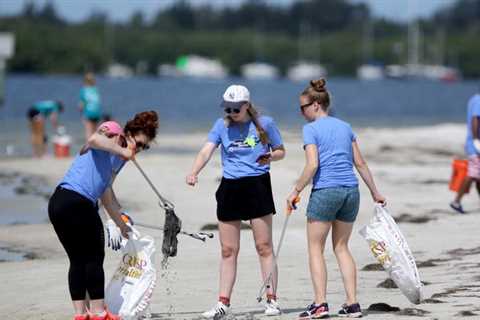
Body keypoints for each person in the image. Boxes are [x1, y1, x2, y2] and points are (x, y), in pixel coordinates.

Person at [286, 79, 385, 319]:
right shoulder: (345, 126)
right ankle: (352, 304)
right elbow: (359, 163)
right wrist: (375, 192)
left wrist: (295, 191)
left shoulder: (310, 130)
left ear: (317, 104)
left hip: (326, 192)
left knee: (315, 249)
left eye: (303, 107)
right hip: (351, 191)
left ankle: (320, 303)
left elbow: (312, 165)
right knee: (341, 247)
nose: (301, 112)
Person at [186, 85, 286, 318]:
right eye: (227, 108)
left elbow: (281, 150)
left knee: (264, 246)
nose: (231, 112)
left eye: (236, 109)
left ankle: (272, 300)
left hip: (257, 185)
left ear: (247, 105)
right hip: (230, 187)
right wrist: (194, 171)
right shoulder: (221, 125)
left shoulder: (265, 123)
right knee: (228, 250)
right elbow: (206, 151)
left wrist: (271, 156)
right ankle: (223, 303)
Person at [48, 111, 158, 320]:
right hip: (74, 201)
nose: (139, 149)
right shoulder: (114, 131)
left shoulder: (119, 160)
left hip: (63, 203)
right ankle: (99, 313)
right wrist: (122, 150)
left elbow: (106, 193)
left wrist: (119, 222)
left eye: (145, 147)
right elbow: (93, 139)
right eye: (139, 143)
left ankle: (81, 315)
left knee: (79, 261)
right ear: (128, 133)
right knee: (94, 258)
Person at [450, 90, 480, 214]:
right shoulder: (479, 100)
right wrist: (476, 141)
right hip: (476, 144)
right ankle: (456, 201)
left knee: (478, 175)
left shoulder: (474, 98)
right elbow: (475, 119)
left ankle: (457, 201)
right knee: (473, 173)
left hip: (472, 143)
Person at [79, 72, 102, 141]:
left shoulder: (84, 90)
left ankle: (89, 149)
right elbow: (98, 102)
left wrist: (82, 114)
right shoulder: (96, 90)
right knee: (95, 133)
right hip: (97, 113)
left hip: (88, 113)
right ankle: (96, 148)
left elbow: (81, 105)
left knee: (88, 133)